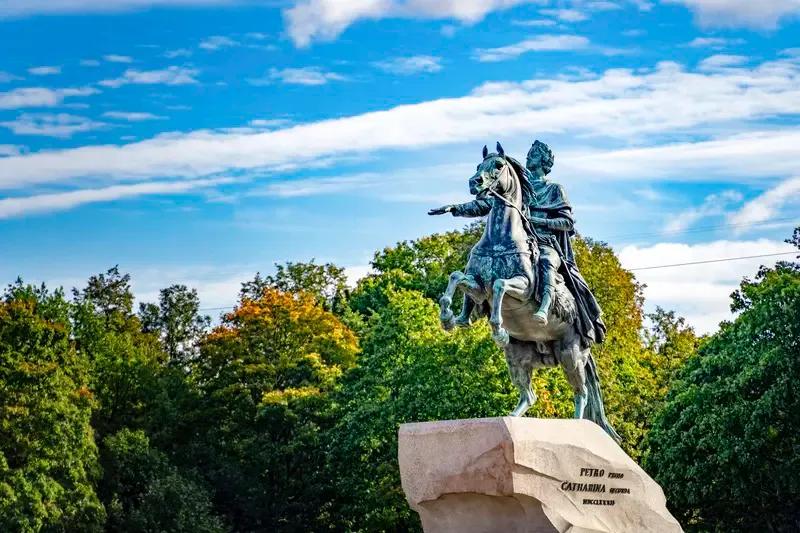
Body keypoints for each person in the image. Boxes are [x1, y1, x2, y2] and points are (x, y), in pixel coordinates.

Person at [524, 140, 606, 347]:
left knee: (546, 261)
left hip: (546, 242)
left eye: (533, 154)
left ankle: (545, 306)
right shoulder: (520, 188)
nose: (528, 156)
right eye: (529, 153)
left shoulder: (554, 189)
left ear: (543, 161)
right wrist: (456, 209)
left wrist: (538, 221)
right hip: (522, 241)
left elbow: (567, 222)